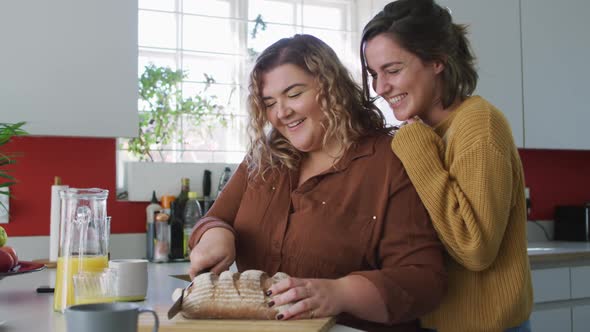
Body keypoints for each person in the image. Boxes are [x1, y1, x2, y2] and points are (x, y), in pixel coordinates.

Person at [187, 34, 447, 332]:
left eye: (294, 94)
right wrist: (215, 235)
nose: (281, 112)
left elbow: (424, 281)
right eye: (270, 102)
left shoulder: (390, 161)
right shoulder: (264, 159)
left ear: (331, 89)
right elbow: (216, 219)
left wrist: (339, 293)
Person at [360, 1, 533, 331]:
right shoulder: (423, 133)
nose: (380, 88)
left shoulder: (478, 125)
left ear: (437, 60)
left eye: (392, 70)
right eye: (374, 74)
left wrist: (416, 148)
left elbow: (475, 248)